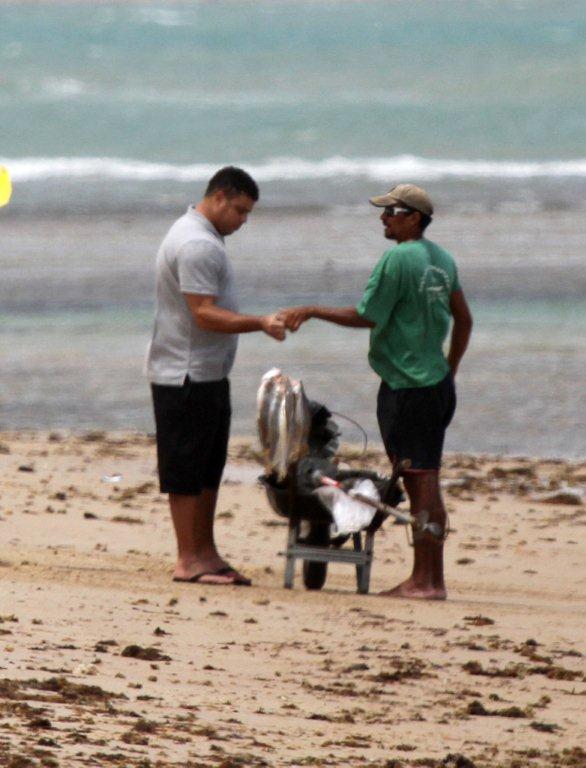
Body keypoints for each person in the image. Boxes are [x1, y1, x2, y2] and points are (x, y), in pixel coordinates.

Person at [282, 184, 473, 600]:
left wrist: (312, 310)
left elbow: (367, 315)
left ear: (415, 218)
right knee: (426, 477)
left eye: (392, 211)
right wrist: (450, 371)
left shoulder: (398, 258)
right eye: (384, 211)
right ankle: (429, 577)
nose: (383, 219)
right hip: (435, 383)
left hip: (409, 387)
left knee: (421, 481)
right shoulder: (442, 260)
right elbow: (465, 320)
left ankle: (425, 581)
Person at [146, 166, 286, 586]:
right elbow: (203, 313)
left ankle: (206, 553)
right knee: (186, 469)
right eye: (240, 211)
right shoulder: (196, 244)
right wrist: (260, 322)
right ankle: (189, 559)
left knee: (208, 466)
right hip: (183, 374)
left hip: (206, 373)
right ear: (220, 197)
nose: (243, 221)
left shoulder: (201, 236)